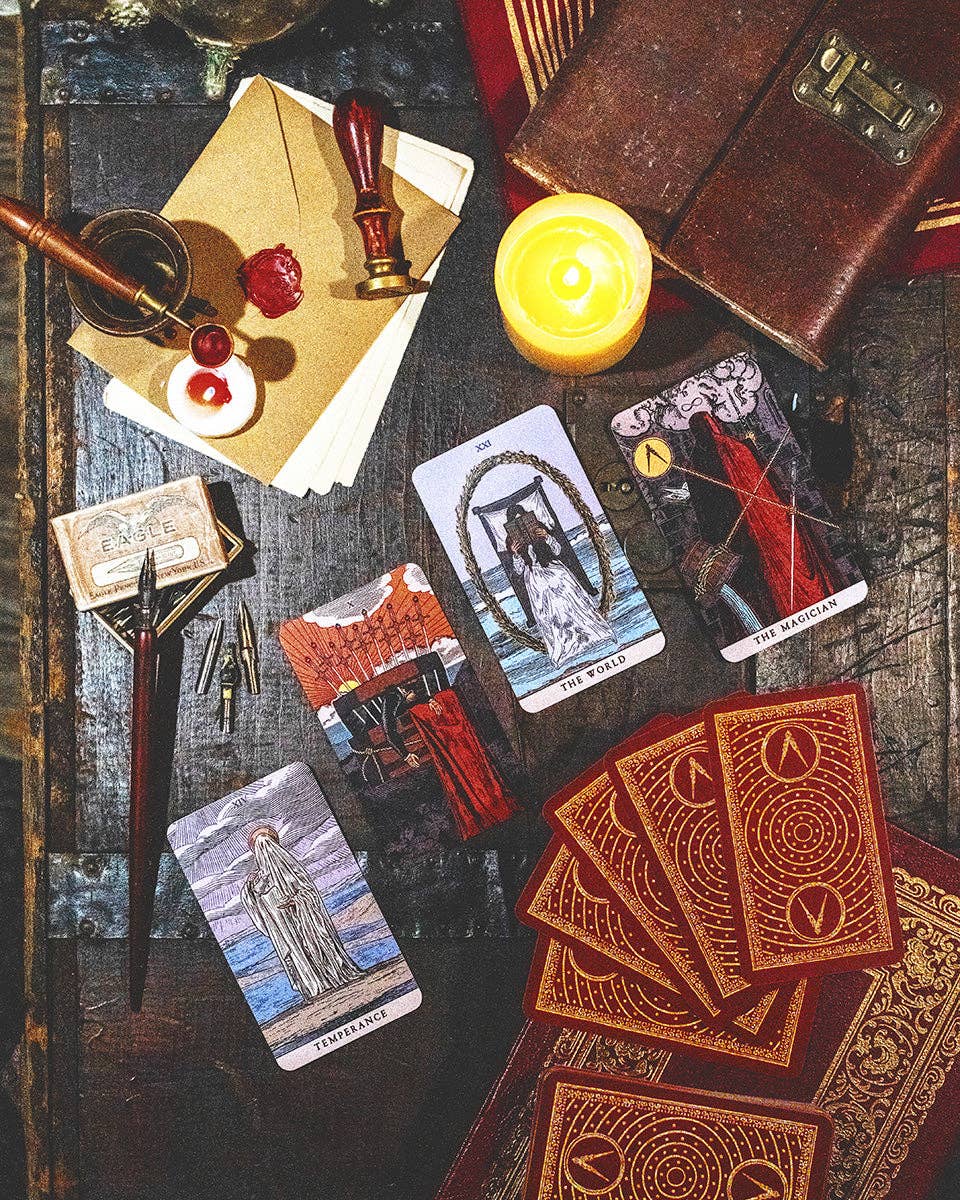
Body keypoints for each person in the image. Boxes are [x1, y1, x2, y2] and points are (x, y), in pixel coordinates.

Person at [240, 826, 362, 1000]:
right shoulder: (258, 878)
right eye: (260, 848)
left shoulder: (290, 868)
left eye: (267, 845)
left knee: (310, 946)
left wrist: (295, 902)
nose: (265, 851)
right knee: (296, 953)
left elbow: (309, 892)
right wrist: (250, 887)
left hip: (302, 921)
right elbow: (251, 900)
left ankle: (328, 977)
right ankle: (313, 986)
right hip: (282, 928)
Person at [504, 504, 616, 668]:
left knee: (568, 595)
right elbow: (519, 571)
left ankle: (589, 633)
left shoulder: (538, 528)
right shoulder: (512, 541)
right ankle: (563, 647)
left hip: (553, 569)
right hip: (534, 578)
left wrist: (547, 537)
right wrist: (514, 554)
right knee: (548, 612)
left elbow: (557, 550)